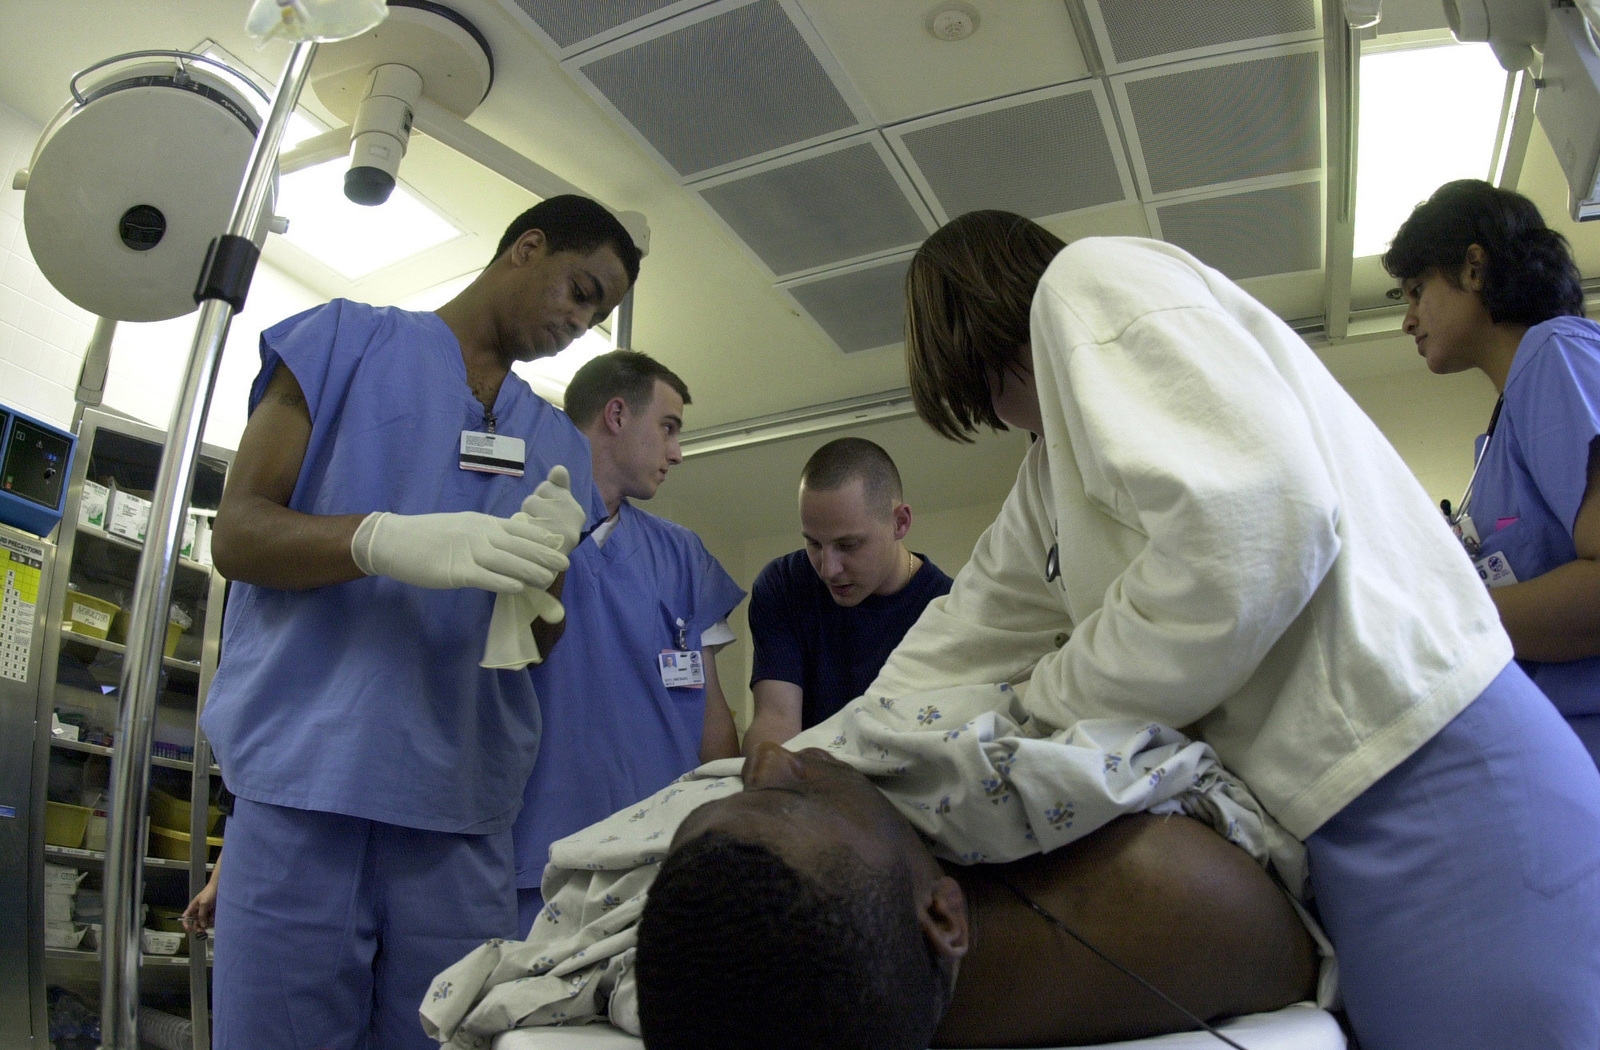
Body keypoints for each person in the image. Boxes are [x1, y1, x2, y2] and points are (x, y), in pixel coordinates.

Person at [875, 210, 1600, 1050]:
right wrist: (828, 760)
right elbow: (963, 636)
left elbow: (1257, 536)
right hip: (1342, 821)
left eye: (991, 391)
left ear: (992, 327)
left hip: (1432, 778)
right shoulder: (1051, 474)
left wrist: (1048, 697)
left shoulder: (1088, 284)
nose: (1005, 422)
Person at [200, 195, 639, 1050]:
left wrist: (537, 600)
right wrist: (379, 540)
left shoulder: (556, 445)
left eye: (598, 315)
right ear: (527, 247)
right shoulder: (342, 343)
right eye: (579, 291)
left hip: (461, 814)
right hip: (304, 791)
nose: (579, 324)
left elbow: (541, 648)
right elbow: (238, 533)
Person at [636, 742, 1319, 1050]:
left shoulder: (783, 996)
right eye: (793, 793)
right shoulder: (1173, 889)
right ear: (944, 915)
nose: (768, 757)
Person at [512, 350, 745, 934]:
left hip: (661, 861)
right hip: (538, 859)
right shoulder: (521, 526)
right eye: (668, 428)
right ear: (616, 415)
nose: (677, 452)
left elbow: (713, 725)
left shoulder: (682, 556)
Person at [1383, 179, 1600, 764]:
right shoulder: (1501, 434)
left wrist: (1440, 619)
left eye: (1417, 290)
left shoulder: (1558, 355)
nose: (1408, 320)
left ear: (1473, 268)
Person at [743, 438, 952, 754]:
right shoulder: (782, 585)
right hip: (809, 785)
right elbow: (775, 719)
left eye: (848, 545)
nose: (828, 569)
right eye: (813, 543)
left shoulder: (949, 610)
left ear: (900, 523)